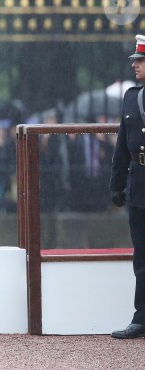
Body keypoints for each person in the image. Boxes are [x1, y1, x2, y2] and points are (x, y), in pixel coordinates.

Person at [109, 34, 145, 339]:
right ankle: (142, 317)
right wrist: (116, 184)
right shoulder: (132, 96)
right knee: (142, 256)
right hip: (139, 183)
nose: (135, 65)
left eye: (141, 61)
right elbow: (123, 145)